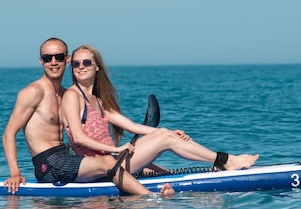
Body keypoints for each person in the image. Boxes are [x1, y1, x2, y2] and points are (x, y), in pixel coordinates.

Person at [2, 37, 174, 197]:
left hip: (67, 159)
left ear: (67, 59)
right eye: (48, 58)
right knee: (108, 163)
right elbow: (9, 133)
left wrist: (162, 133)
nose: (53, 62)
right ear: (41, 61)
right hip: (49, 164)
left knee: (134, 166)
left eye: (59, 57)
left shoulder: (66, 94)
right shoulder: (33, 92)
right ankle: (151, 199)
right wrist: (15, 173)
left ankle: (172, 178)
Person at [61, 44, 259, 176]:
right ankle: (226, 160)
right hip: (98, 170)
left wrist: (168, 132)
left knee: (164, 135)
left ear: (97, 67)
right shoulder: (72, 96)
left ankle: (221, 163)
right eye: (76, 64)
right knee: (164, 139)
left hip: (113, 162)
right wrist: (118, 149)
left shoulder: (97, 99)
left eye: (86, 62)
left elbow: (130, 125)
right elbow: (78, 138)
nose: (80, 67)